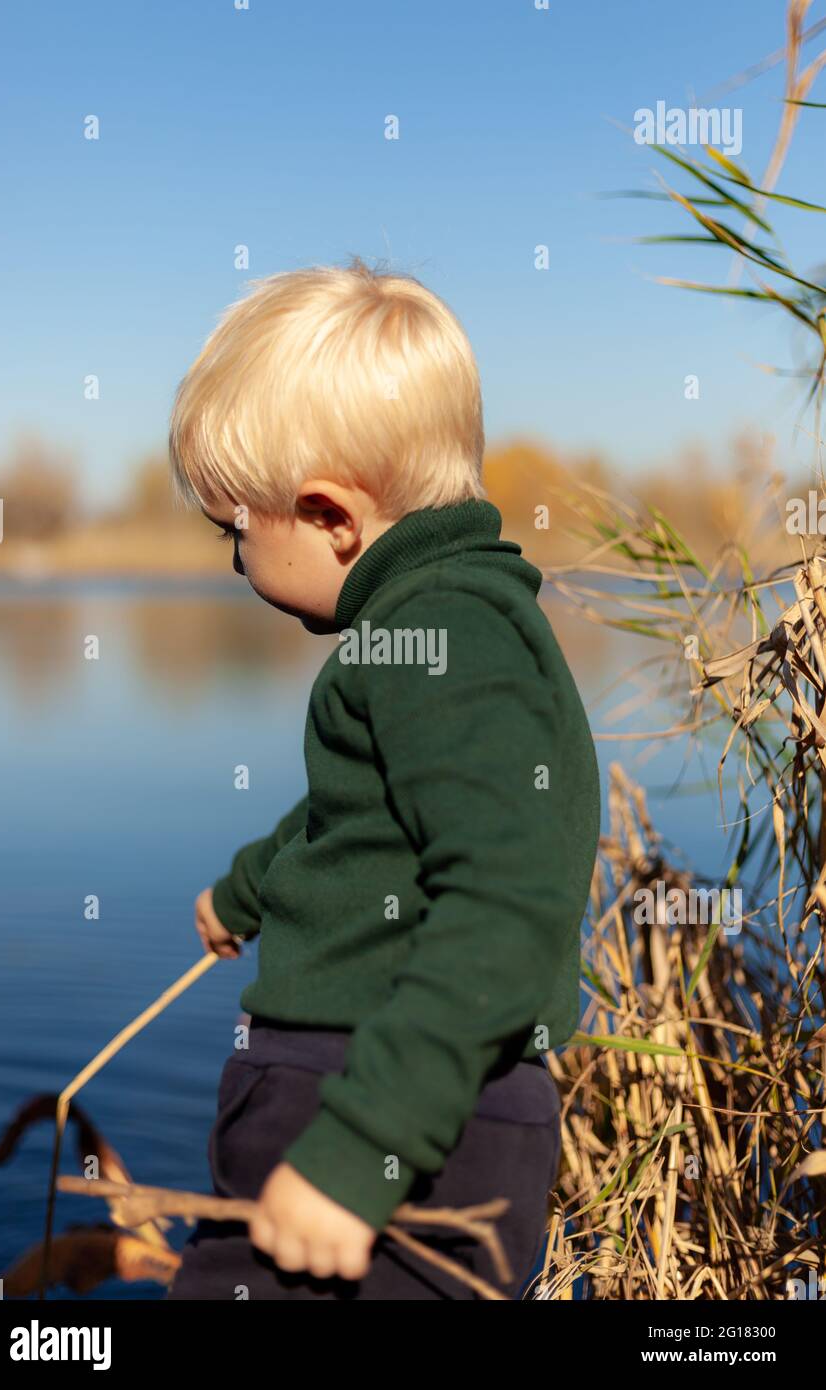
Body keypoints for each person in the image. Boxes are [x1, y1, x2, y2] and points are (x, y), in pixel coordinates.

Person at [166, 259, 600, 1300]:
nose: (234, 561)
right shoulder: (438, 624)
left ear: (328, 515)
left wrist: (362, 1153)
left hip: (384, 1121)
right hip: (388, 1106)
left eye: (236, 531)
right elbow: (364, 816)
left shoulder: (443, 636)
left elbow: (505, 899)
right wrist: (250, 890)